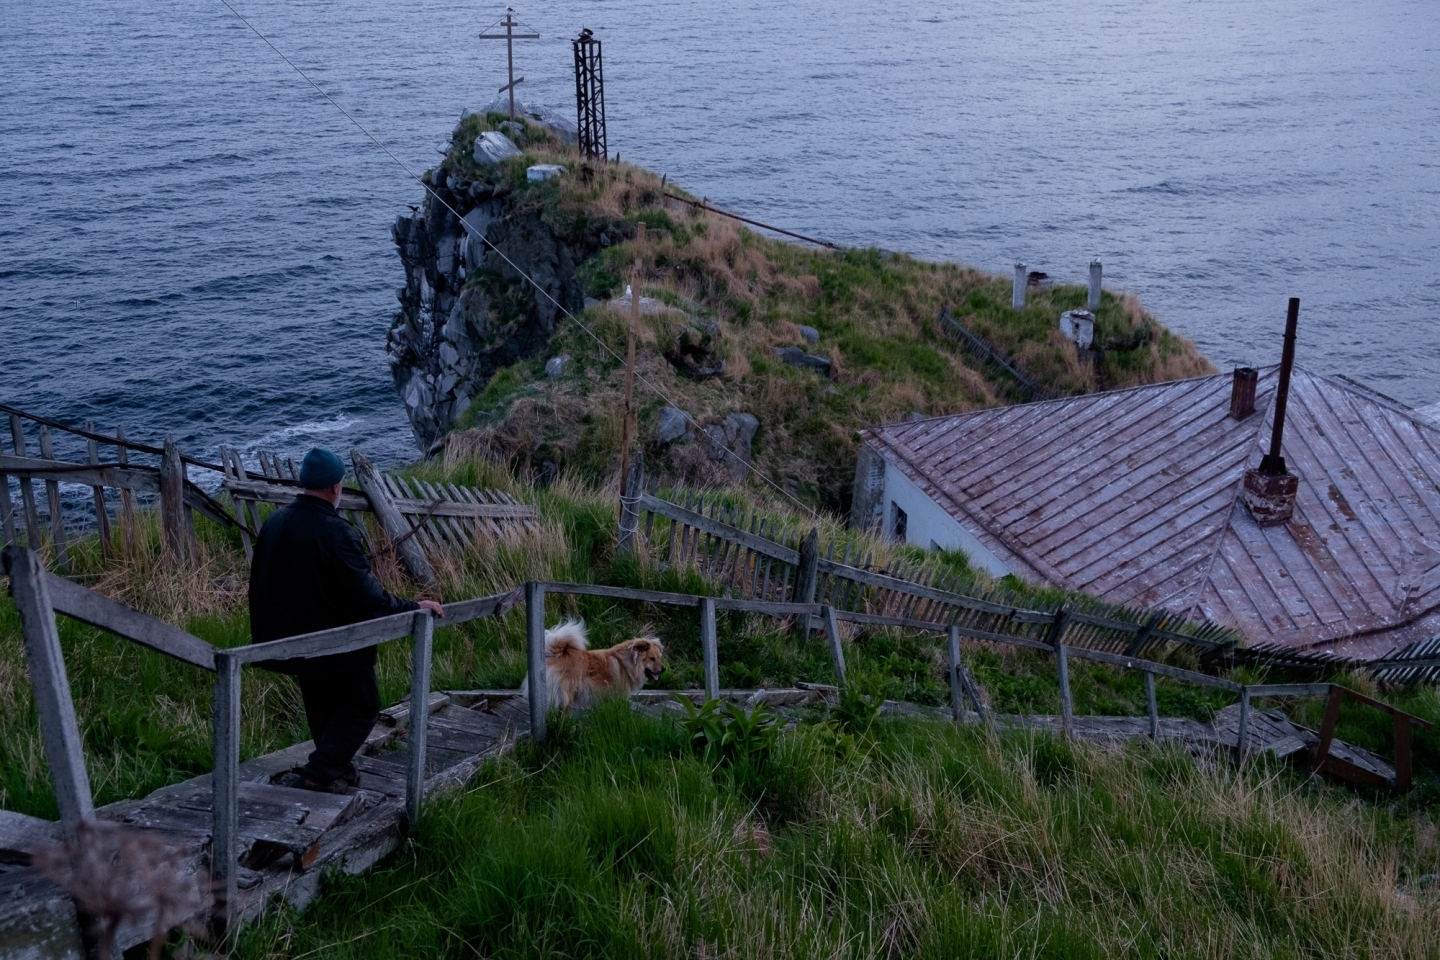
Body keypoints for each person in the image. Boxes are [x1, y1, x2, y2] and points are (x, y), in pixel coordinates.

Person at [248, 447, 443, 793]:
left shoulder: (274, 523)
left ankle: (338, 772)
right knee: (361, 705)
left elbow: (262, 585)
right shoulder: (336, 532)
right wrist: (414, 607)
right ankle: (317, 774)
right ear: (336, 489)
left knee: (324, 708)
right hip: (337, 644)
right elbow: (368, 598)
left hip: (290, 642)